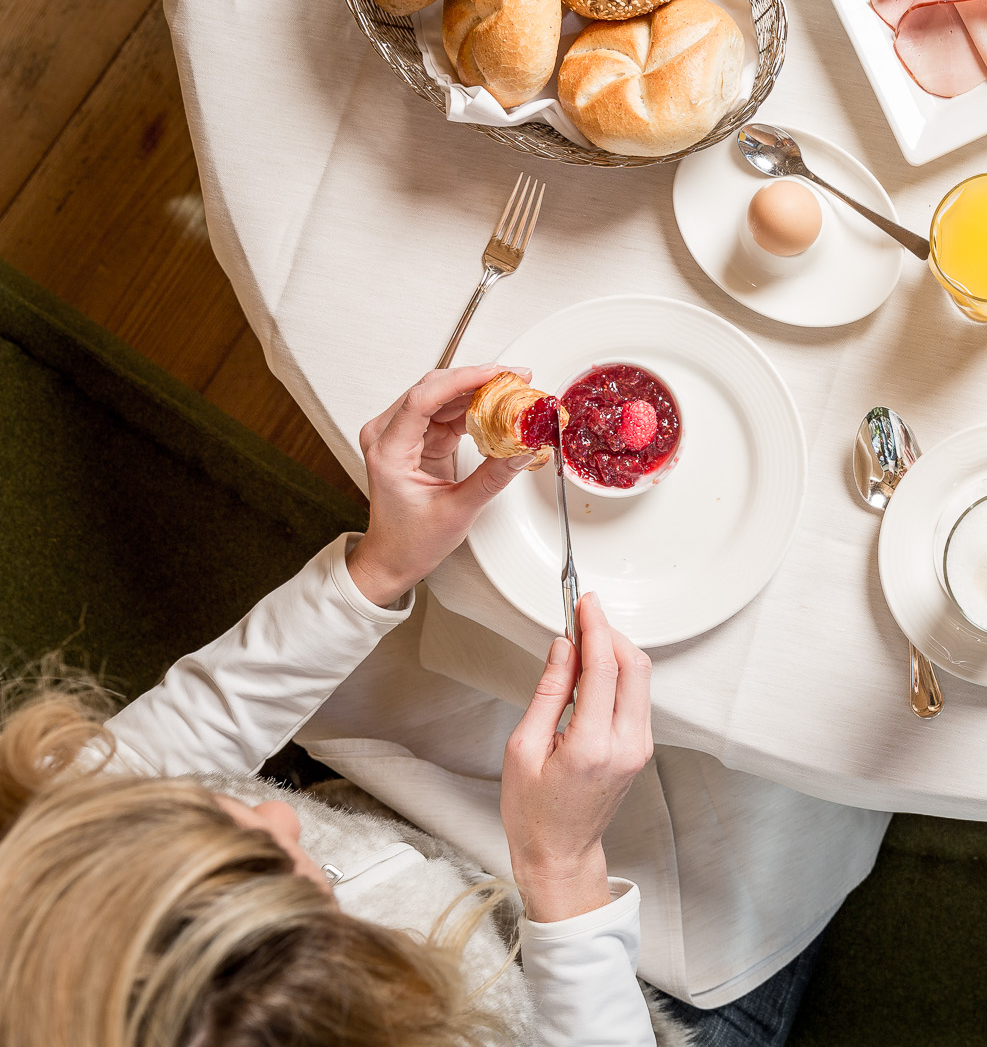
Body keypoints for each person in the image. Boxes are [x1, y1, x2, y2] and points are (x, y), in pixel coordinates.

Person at [0, 365, 675, 1045]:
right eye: (279, 874)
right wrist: (565, 872)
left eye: (206, 814)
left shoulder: (45, 873)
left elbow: (166, 745)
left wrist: (381, 565)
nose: (276, 811)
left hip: (424, 824)